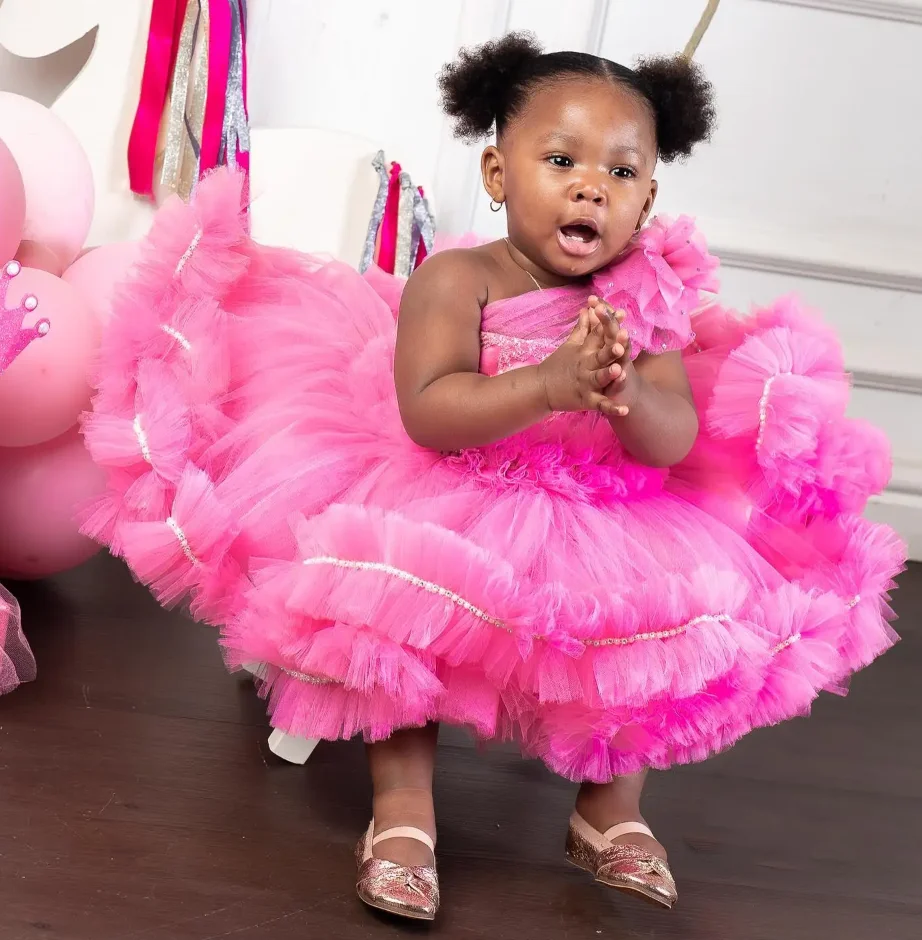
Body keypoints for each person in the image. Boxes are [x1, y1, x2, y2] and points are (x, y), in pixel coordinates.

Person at [83, 31, 904, 923]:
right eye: (561, 159)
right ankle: (402, 809)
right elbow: (430, 411)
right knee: (401, 612)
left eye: (622, 174)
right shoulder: (458, 279)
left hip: (599, 505)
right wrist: (550, 383)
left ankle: (609, 811)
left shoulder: (645, 302)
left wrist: (626, 388)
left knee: (648, 625)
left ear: (650, 198)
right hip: (454, 482)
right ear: (498, 174)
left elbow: (671, 441)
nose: (592, 184)